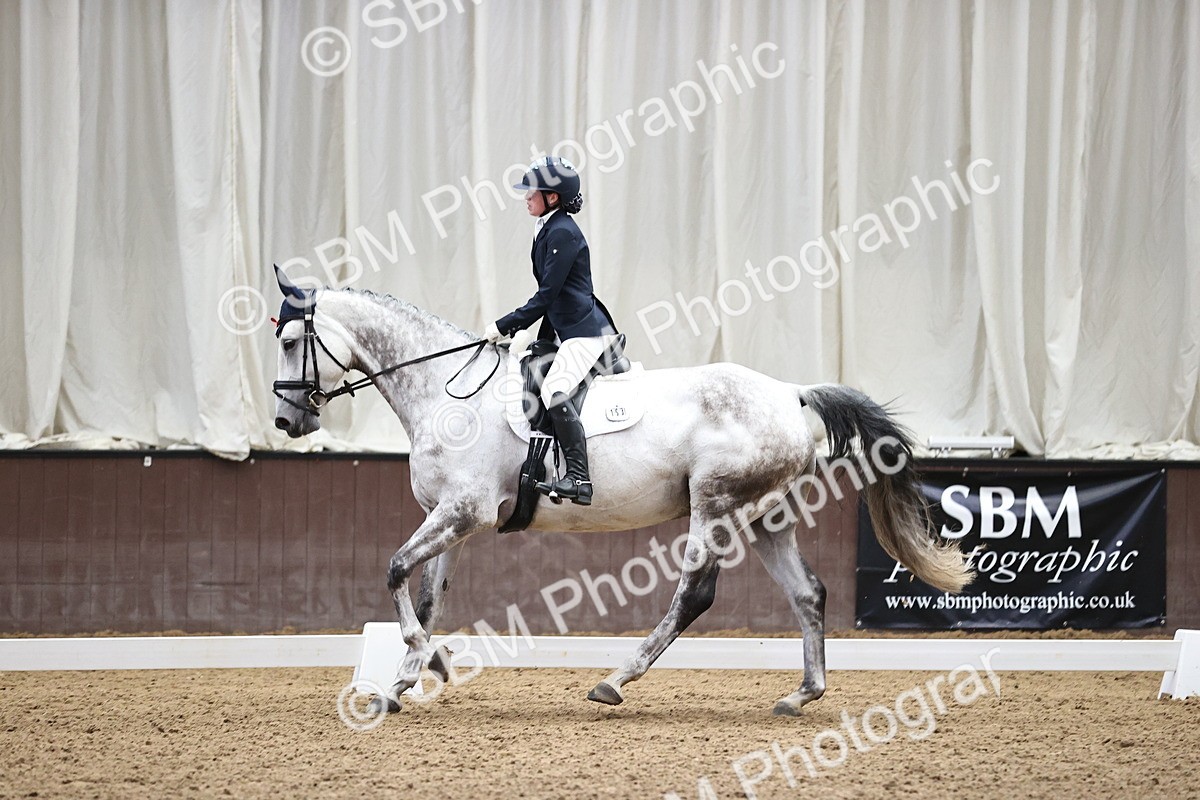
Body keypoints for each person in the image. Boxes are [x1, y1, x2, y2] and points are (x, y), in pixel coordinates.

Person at [483, 156, 619, 506]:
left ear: (553, 197)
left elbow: (547, 294)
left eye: (533, 192)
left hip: (584, 331)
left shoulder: (561, 232)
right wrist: (540, 338)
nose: (526, 197)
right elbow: (552, 295)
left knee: (555, 390)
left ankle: (579, 477)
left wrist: (506, 325)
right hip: (564, 327)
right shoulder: (547, 226)